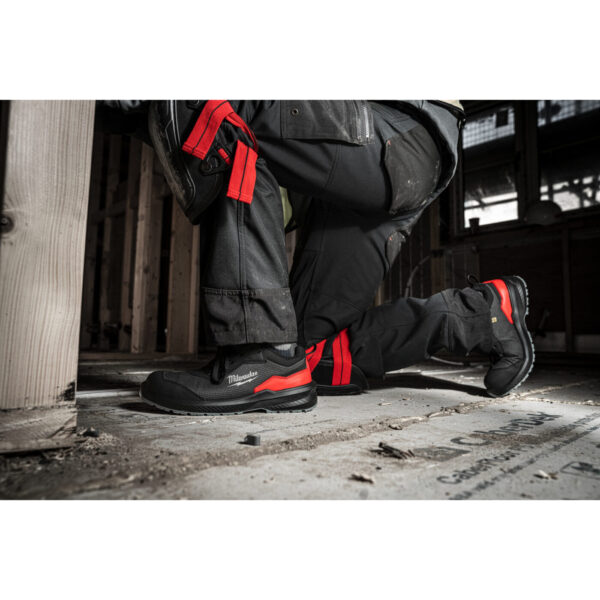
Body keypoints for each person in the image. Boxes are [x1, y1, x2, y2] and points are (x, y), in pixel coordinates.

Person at [102, 100, 534, 415]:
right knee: (305, 356)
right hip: (392, 161)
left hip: (394, 128)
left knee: (216, 109)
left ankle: (258, 351)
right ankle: (478, 316)